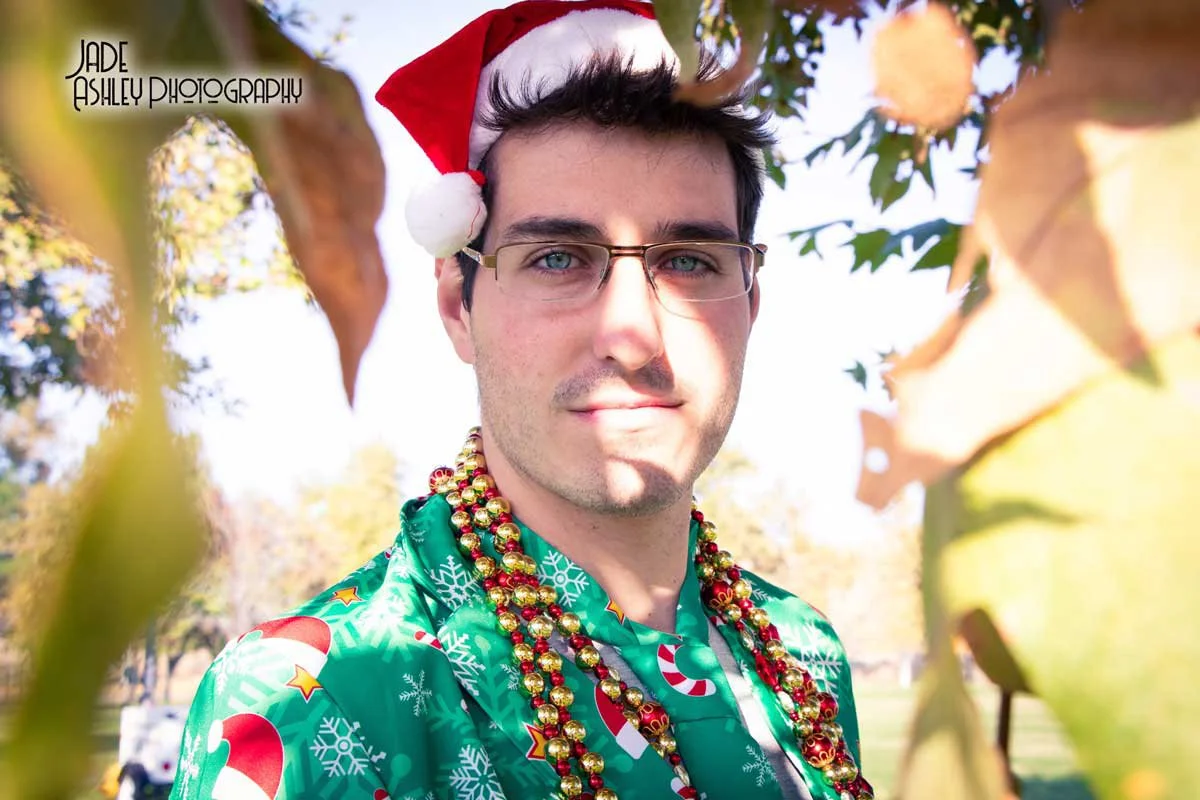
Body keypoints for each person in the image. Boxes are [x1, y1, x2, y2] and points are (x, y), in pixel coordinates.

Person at [170, 2, 874, 799]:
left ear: (750, 301)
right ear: (456, 306)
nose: (633, 336)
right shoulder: (310, 702)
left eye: (687, 261)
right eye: (557, 258)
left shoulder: (802, 655)